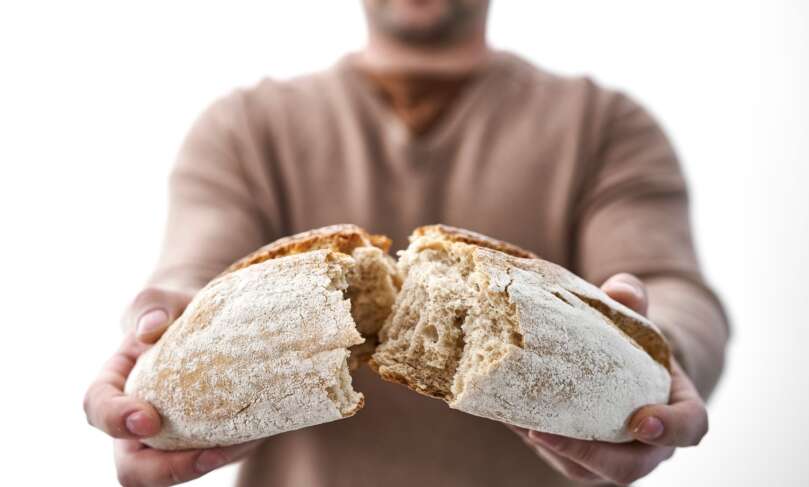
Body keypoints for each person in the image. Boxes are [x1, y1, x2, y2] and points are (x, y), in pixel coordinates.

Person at [83, 1, 729, 485]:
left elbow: (667, 287)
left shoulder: (603, 126)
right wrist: (157, 338)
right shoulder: (245, 128)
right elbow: (196, 276)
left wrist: (667, 359)